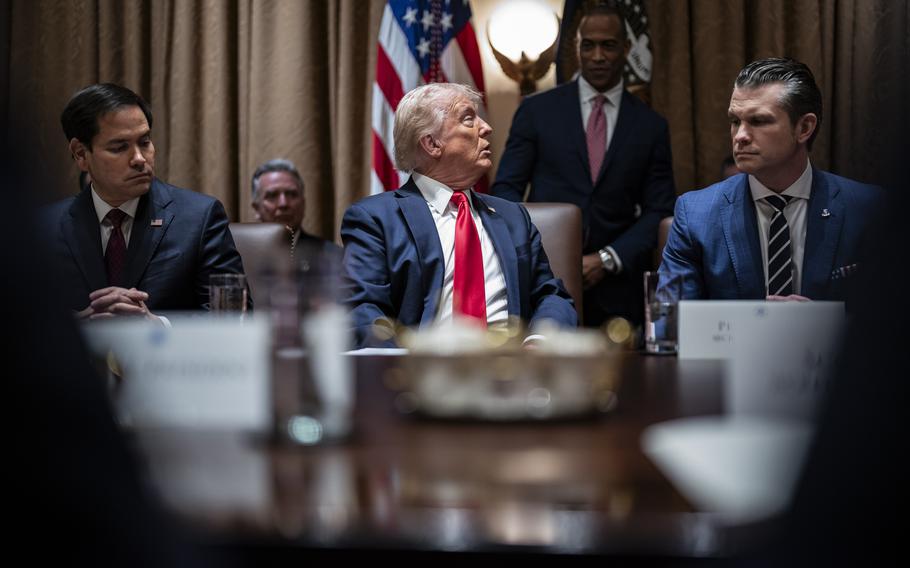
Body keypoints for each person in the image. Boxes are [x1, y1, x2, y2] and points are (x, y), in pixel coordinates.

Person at [341, 83, 577, 348]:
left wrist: (539, 342)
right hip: (423, 375)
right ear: (431, 143)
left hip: (512, 373)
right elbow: (362, 310)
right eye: (468, 119)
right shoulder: (376, 219)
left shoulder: (513, 218)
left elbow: (551, 296)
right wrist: (408, 368)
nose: (486, 128)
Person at [492, 0, 676, 327]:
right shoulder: (537, 112)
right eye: (588, 46)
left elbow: (659, 211)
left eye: (608, 46)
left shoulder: (651, 125)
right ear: (577, 48)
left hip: (619, 291)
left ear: (626, 48)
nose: (597, 56)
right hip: (543, 281)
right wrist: (537, 251)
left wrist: (607, 259)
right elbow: (506, 191)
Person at [660, 57, 882, 302]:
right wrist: (758, 323)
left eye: (758, 121)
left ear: (804, 128)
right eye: (735, 121)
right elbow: (670, 322)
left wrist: (825, 323)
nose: (740, 136)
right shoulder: (695, 215)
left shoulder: (870, 209)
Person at [43, 83, 248, 321]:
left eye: (145, 141)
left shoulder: (200, 218)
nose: (140, 159)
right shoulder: (43, 228)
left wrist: (158, 328)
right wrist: (71, 332)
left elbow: (235, 320)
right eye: (120, 147)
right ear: (80, 153)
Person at [250, 158, 341, 258]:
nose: (283, 204)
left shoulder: (334, 258)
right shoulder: (239, 259)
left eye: (291, 194)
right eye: (272, 196)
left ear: (303, 204)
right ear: (256, 208)